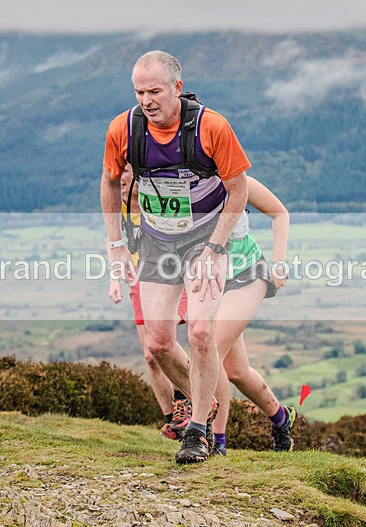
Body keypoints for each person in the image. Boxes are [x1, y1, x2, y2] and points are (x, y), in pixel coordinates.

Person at [101, 50, 250, 464]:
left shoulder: (211, 126)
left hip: (205, 238)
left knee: (200, 332)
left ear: (177, 88)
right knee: (159, 343)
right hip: (156, 240)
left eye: (154, 91)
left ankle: (198, 431)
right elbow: (109, 183)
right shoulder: (124, 128)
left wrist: (215, 248)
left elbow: (238, 190)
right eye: (139, 92)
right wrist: (115, 244)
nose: (146, 100)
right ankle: (206, 398)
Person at [210, 176, 296, 455]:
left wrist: (279, 264)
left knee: (211, 351)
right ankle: (281, 418)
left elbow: (280, 213)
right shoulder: (185, 182)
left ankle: (216, 442)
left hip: (248, 273)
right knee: (236, 371)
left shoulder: (238, 180)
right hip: (211, 280)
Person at [108, 164, 192, 438]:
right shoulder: (117, 205)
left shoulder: (154, 199)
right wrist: (114, 279)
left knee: (163, 341)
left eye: (125, 172)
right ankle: (172, 421)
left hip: (169, 277)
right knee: (150, 355)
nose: (120, 179)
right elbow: (113, 241)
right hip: (138, 280)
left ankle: (187, 401)